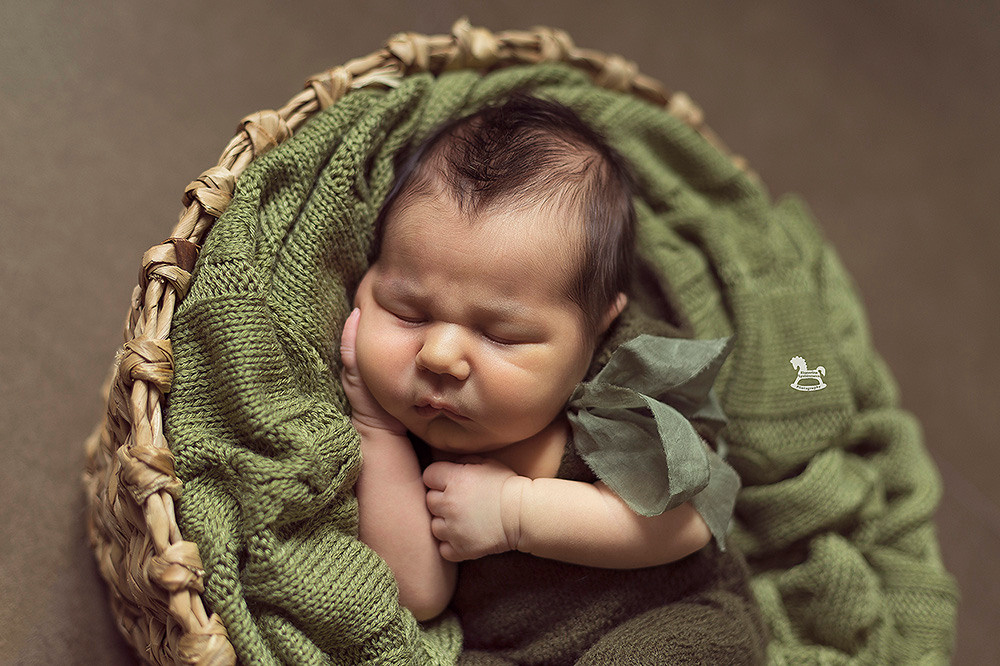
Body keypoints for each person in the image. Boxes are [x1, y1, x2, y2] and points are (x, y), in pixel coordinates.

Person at [339, 93, 765, 664]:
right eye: (407, 311)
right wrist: (376, 429)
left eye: (501, 336)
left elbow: (689, 518)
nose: (438, 355)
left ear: (596, 328)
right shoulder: (407, 430)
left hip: (674, 619)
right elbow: (419, 594)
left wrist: (517, 513)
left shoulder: (623, 385)